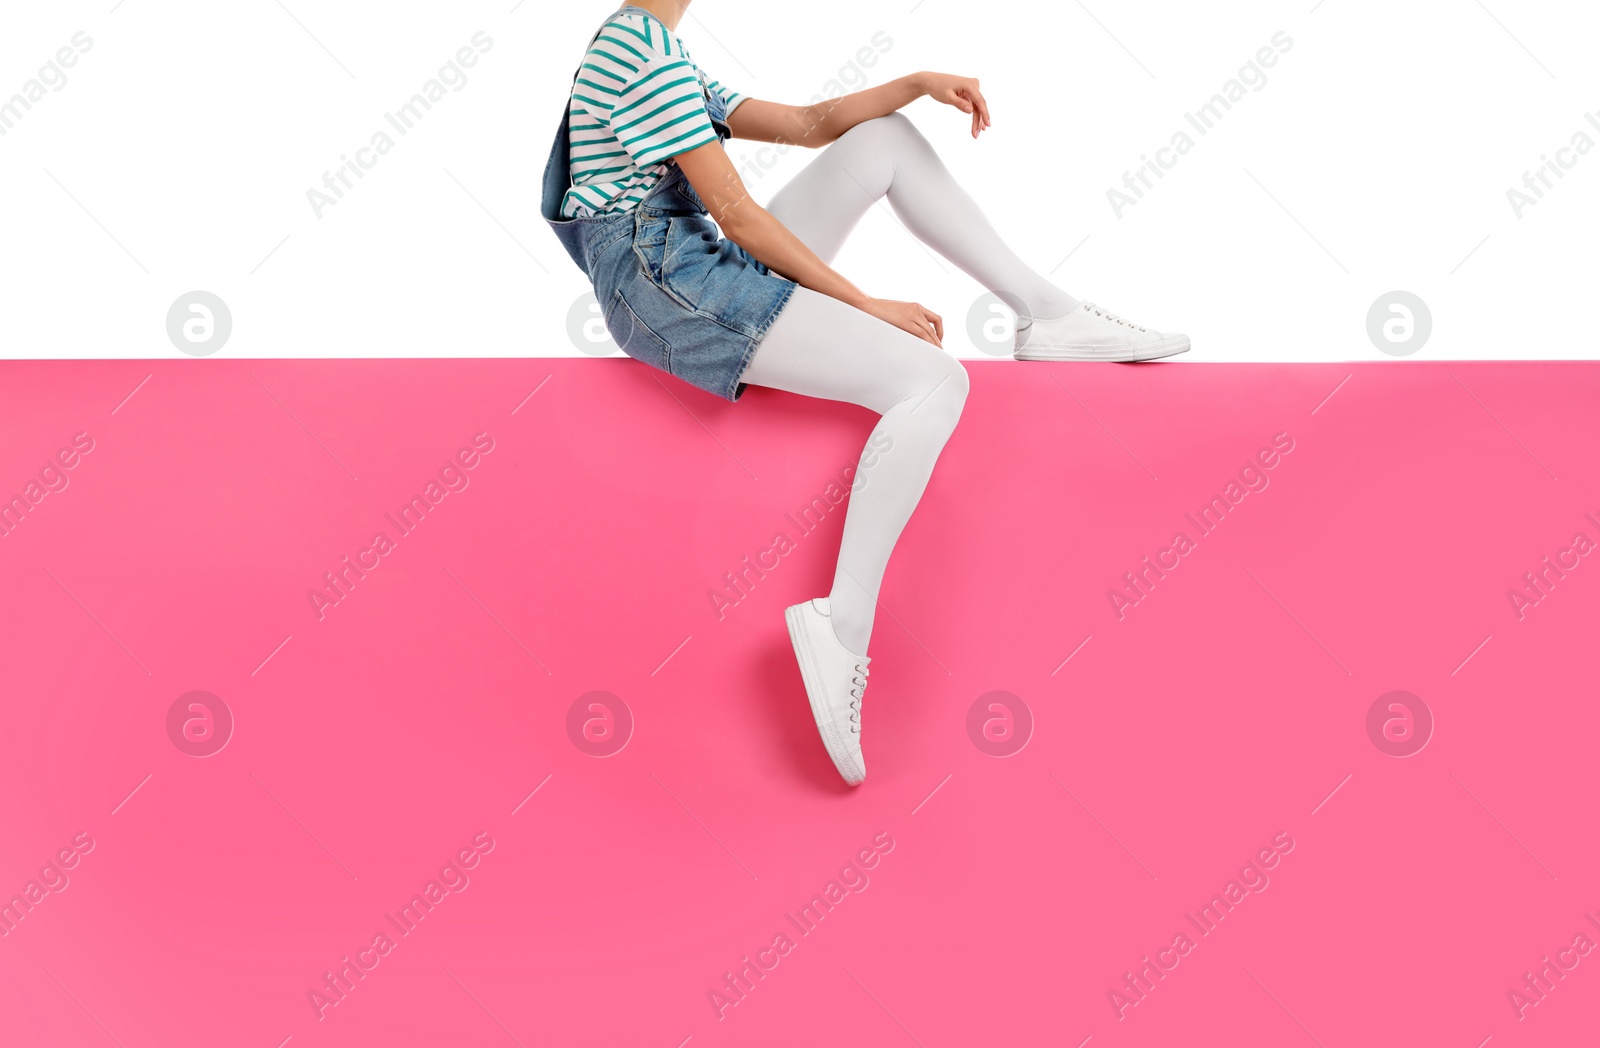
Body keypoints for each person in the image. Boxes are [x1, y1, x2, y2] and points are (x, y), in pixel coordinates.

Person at [542, 1, 1189, 786]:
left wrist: (915, 83)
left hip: (685, 257)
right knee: (933, 381)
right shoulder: (638, 50)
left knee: (883, 140)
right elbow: (738, 214)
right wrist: (865, 303)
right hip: (669, 285)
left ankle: (1046, 314)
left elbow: (813, 124)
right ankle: (840, 623)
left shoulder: (656, 47)